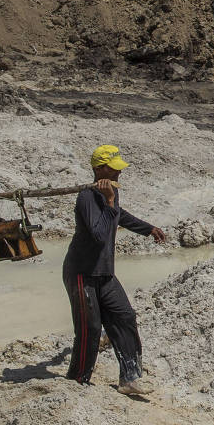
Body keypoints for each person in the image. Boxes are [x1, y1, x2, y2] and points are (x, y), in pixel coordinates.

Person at [65, 143, 170, 398]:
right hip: (82, 273)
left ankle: (130, 378)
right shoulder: (87, 197)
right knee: (89, 329)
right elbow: (100, 234)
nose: (118, 174)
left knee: (124, 317)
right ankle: (76, 381)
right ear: (100, 169)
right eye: (113, 170)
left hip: (105, 273)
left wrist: (147, 228)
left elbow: (118, 215)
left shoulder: (111, 193)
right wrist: (110, 201)